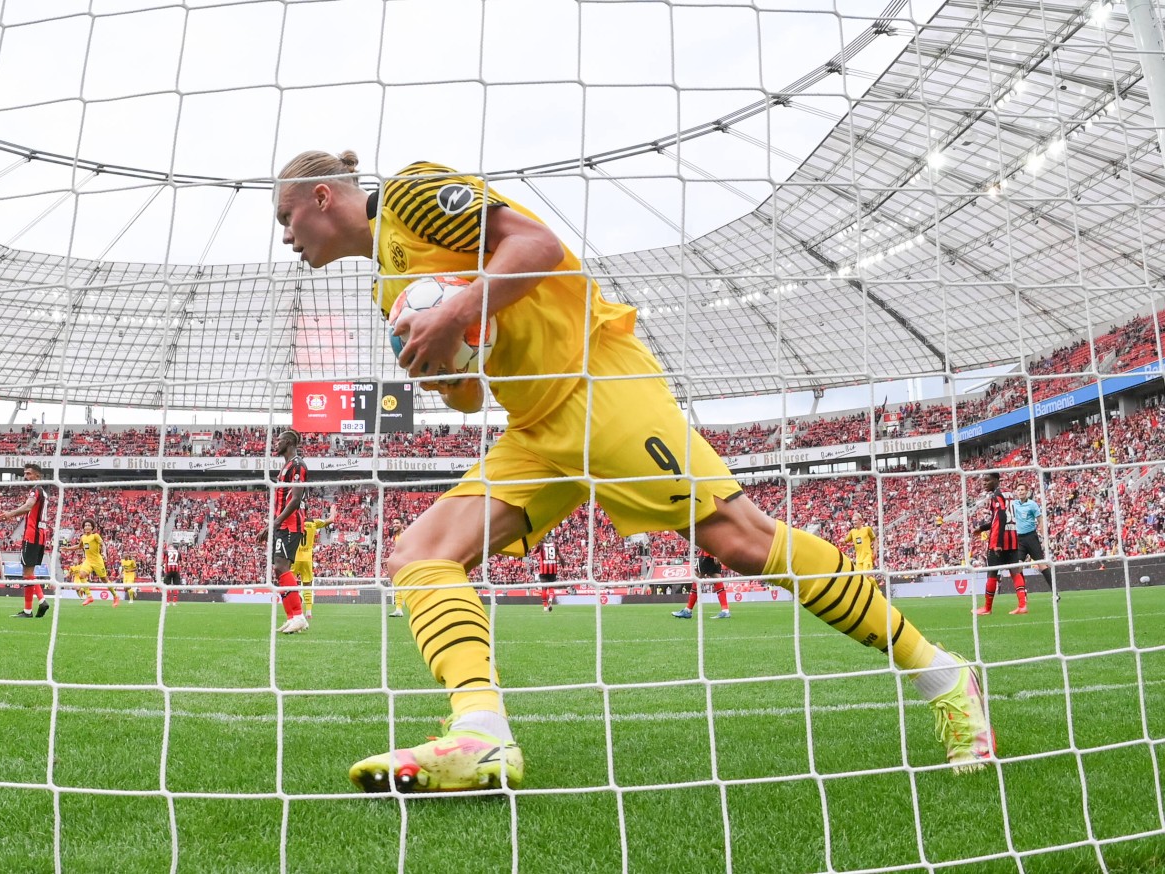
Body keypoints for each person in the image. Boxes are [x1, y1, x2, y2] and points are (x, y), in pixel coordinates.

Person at [274, 150, 993, 793]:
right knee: (420, 555)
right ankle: (481, 733)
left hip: (597, 386)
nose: (285, 236)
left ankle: (943, 674)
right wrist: (449, 366)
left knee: (740, 540)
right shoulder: (384, 287)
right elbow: (468, 396)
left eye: (285, 217)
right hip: (534, 428)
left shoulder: (411, 193)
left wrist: (461, 305)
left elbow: (537, 245)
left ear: (322, 199)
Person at [255, 430, 310, 634]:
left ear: (288, 442)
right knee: (279, 569)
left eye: (278, 441)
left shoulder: (296, 465)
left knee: (281, 567)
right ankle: (292, 617)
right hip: (282, 524)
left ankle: (299, 616)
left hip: (291, 525)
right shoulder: (286, 467)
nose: (275, 445)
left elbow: (296, 499)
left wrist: (275, 524)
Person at [0, 462, 51, 619]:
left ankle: (42, 600)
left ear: (37, 475)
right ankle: (27, 611)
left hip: (32, 535)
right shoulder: (44, 492)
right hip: (40, 534)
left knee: (27, 572)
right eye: (24, 474)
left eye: (29, 474)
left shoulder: (35, 491)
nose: (25, 477)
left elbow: (28, 507)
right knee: (28, 573)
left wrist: (9, 514)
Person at [973, 472, 1027, 616]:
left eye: (987, 480)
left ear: (996, 480)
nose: (984, 483)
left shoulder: (996, 495)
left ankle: (987, 608)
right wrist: (982, 528)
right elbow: (1000, 517)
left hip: (999, 538)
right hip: (1013, 536)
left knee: (992, 572)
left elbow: (1001, 516)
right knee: (1015, 572)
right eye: (983, 481)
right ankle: (1022, 605)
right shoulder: (1009, 493)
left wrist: (998, 542)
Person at [291, 503, 337, 620]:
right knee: (307, 585)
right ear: (306, 510)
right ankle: (309, 612)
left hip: (294, 558)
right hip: (307, 559)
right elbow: (331, 520)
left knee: (290, 584)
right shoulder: (313, 522)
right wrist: (332, 511)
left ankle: (294, 609)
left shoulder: (293, 522)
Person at [1012, 484, 1057, 601]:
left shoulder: (1032, 504)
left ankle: (1055, 592)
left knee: (1042, 565)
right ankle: (1023, 594)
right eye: (1018, 490)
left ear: (1027, 491)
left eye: (1022, 489)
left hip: (1031, 537)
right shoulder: (1014, 504)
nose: (1020, 492)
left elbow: (1040, 519)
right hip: (1019, 539)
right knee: (1018, 567)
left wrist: (1043, 533)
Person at [68, 519, 118, 607]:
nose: (87, 527)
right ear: (83, 527)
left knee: (104, 580)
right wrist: (67, 548)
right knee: (81, 575)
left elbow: (103, 544)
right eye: (85, 525)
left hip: (97, 561)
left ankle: (115, 596)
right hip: (88, 561)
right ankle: (89, 597)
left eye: (89, 525)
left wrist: (104, 553)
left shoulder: (95, 536)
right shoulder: (83, 537)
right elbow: (79, 546)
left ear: (92, 527)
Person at [672, 548, 731, 619]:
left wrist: (716, 553)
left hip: (707, 554)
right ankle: (725, 610)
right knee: (717, 578)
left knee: (697, 578)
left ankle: (688, 610)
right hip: (711, 553)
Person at [845, 513, 882, 589]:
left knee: (866, 575)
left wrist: (875, 551)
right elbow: (845, 541)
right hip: (858, 559)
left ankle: (877, 591)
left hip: (867, 557)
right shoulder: (852, 532)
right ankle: (875, 591)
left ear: (861, 521)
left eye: (855, 520)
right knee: (861, 578)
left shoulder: (867, 529)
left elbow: (874, 539)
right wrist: (842, 541)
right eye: (853, 521)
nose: (854, 522)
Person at [536, 537, 559, 613]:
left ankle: (545, 607)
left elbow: (534, 552)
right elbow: (560, 556)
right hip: (553, 569)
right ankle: (551, 599)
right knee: (551, 586)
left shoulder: (541, 545)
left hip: (544, 570)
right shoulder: (554, 545)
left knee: (544, 588)